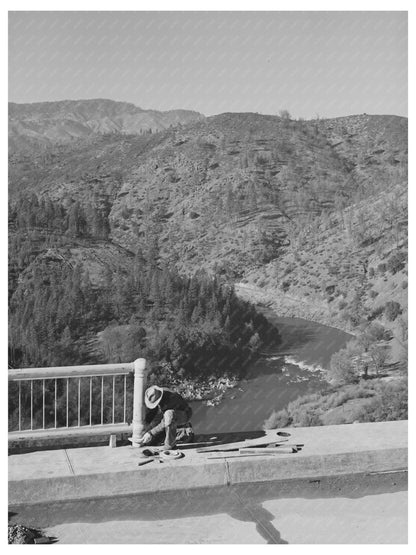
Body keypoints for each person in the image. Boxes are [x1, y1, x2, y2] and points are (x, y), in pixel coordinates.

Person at [139, 385, 193, 449]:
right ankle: (180, 431)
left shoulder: (171, 399)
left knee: (169, 415)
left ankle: (170, 444)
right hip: (171, 415)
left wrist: (151, 433)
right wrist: (146, 432)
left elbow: (164, 422)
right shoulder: (158, 393)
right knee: (158, 427)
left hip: (184, 414)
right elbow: (157, 418)